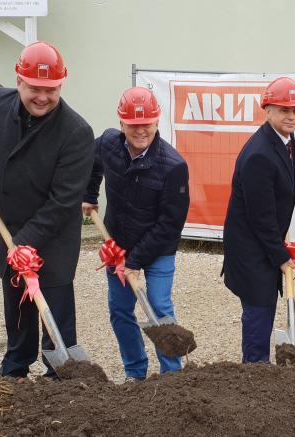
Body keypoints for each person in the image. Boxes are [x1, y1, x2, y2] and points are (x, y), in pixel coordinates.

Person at [0, 41, 95, 379]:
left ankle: (60, 373)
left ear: (61, 85)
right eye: (36, 88)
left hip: (52, 236)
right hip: (9, 225)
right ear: (20, 80)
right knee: (16, 302)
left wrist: (24, 244)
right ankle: (16, 365)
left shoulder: (76, 132)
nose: (43, 96)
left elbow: (63, 201)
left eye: (51, 89)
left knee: (54, 307)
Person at [82, 87, 190, 381]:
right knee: (120, 309)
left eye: (147, 123)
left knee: (159, 304)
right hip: (117, 241)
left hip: (158, 247)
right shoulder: (108, 144)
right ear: (121, 124)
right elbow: (90, 163)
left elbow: (170, 224)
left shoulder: (174, 166)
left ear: (157, 122)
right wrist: (89, 194)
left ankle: (171, 376)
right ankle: (135, 371)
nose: (140, 130)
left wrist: (136, 260)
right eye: (133, 124)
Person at [221, 76, 295, 363]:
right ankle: (254, 370)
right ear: (267, 110)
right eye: (284, 110)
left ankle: (258, 369)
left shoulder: (285, 141)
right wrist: (281, 256)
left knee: (265, 303)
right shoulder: (260, 155)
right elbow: (260, 217)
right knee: (259, 306)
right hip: (250, 249)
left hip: (263, 243)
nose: (291, 116)